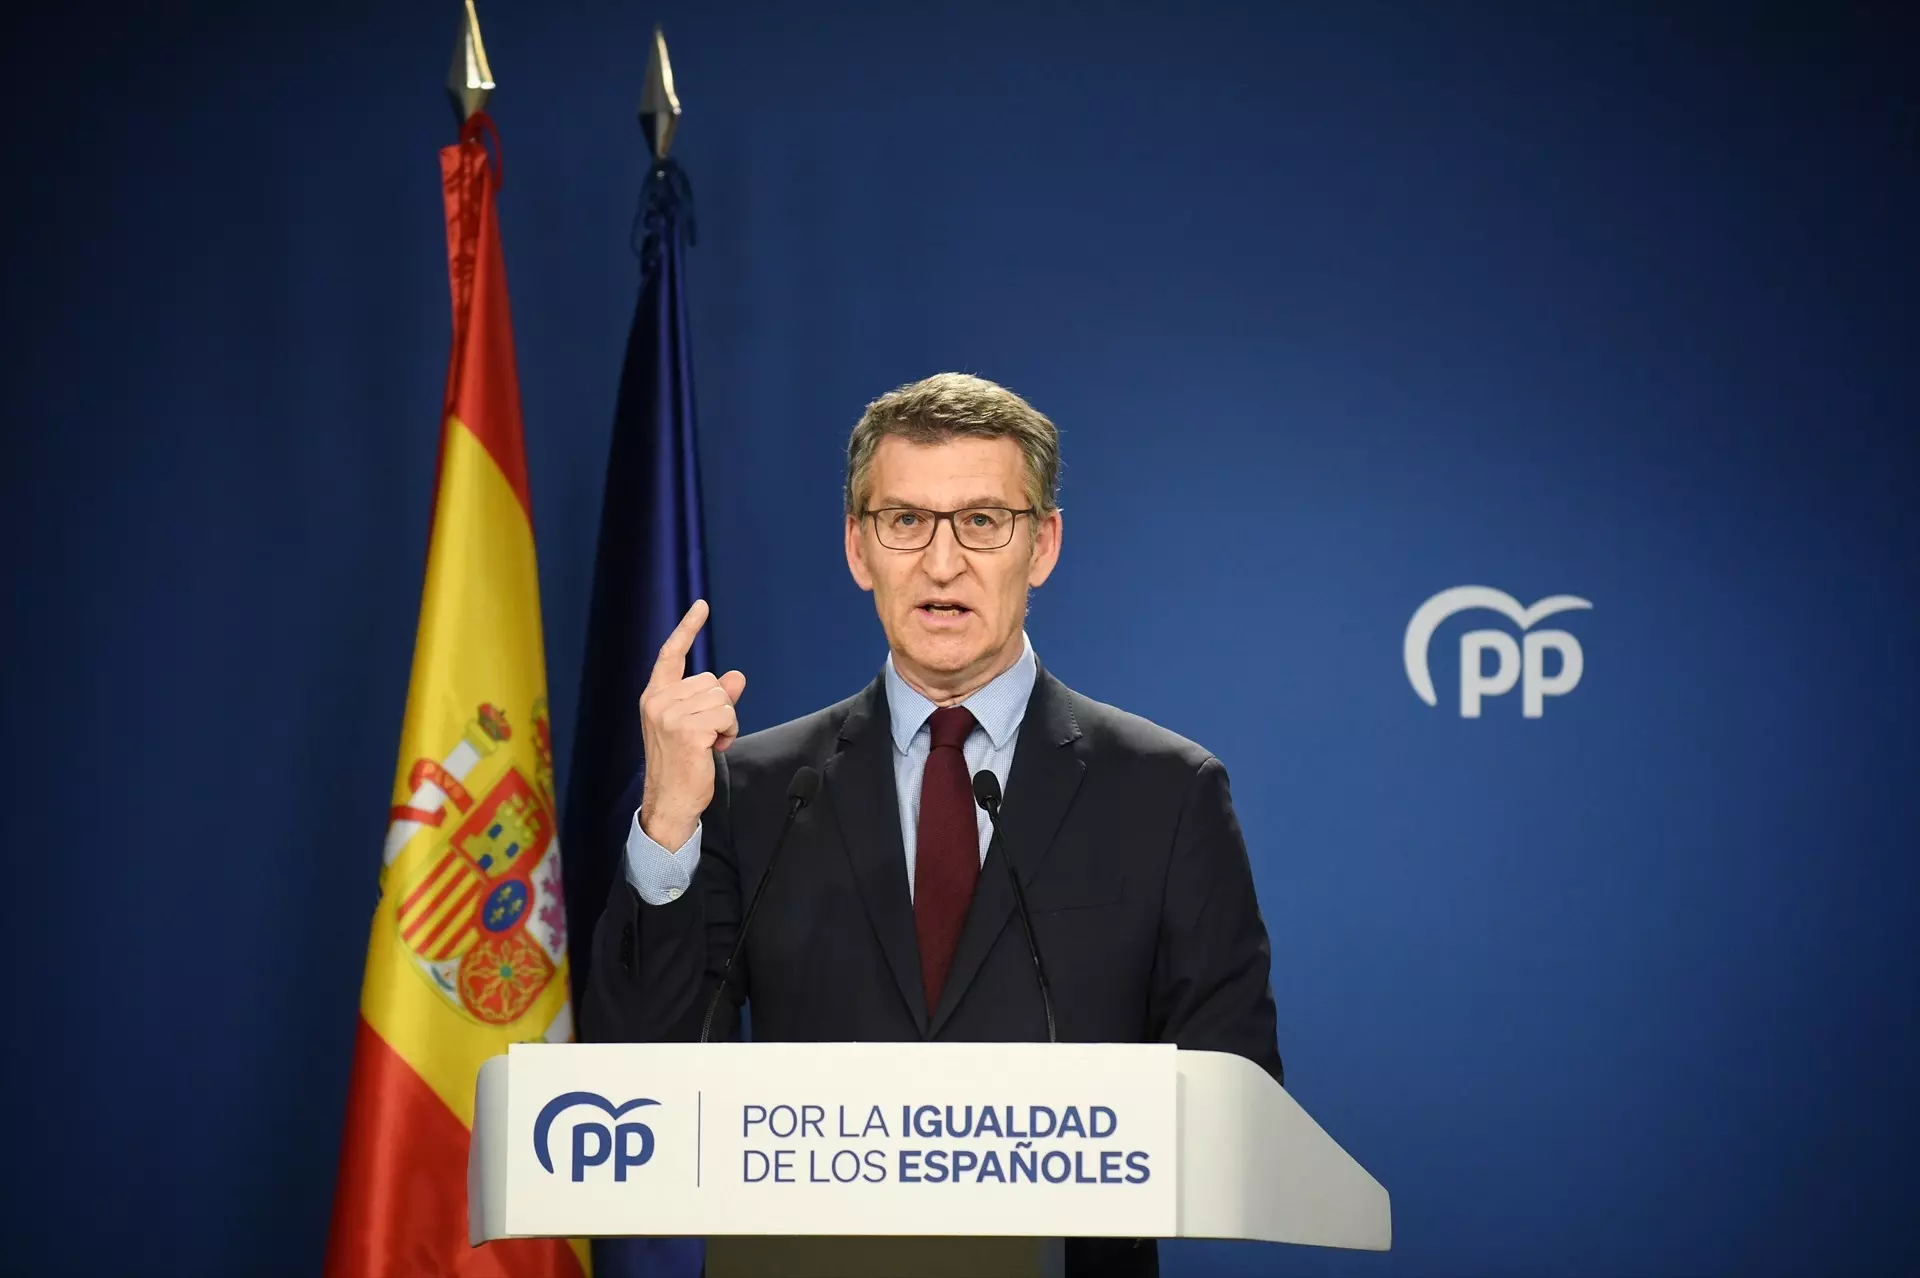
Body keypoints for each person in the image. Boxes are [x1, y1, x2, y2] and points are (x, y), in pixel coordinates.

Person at [583, 373, 1281, 1276]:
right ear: (857, 548)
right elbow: (640, 1075)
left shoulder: (1166, 792)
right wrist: (669, 818)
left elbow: (1236, 1097)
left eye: (983, 521)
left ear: (1043, 545)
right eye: (905, 521)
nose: (942, 562)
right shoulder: (754, 792)